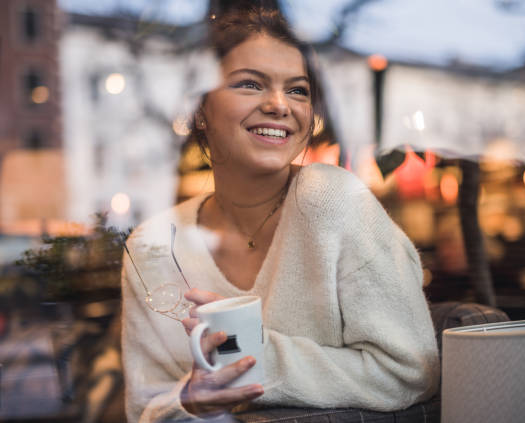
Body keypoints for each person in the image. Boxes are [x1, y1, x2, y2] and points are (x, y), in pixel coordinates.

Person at [121, 7, 439, 423]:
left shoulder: (333, 200)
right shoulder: (151, 246)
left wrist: (257, 358)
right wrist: (188, 402)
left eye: (298, 90)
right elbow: (147, 407)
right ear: (199, 108)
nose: (278, 104)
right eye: (250, 84)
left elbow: (411, 371)